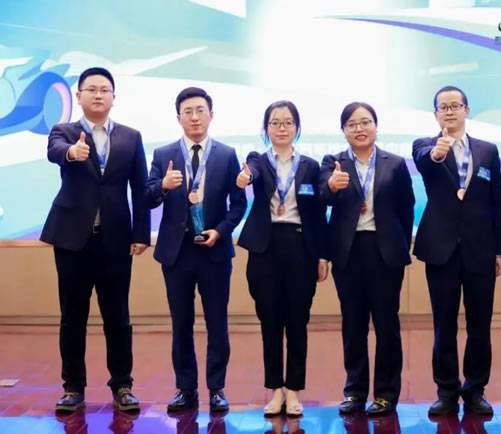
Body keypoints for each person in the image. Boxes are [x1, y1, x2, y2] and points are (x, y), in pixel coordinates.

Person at [41, 67, 150, 412]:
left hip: (115, 241)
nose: (99, 94)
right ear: (79, 96)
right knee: (72, 316)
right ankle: (73, 388)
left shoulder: (131, 137)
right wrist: (71, 153)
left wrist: (141, 234)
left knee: (118, 316)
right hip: (72, 240)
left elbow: (140, 189)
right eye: (92, 89)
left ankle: (123, 385)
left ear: (114, 97)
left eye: (105, 89)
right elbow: (54, 150)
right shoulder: (64, 131)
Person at [145, 87, 246, 413]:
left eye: (200, 110)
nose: (194, 117)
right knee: (181, 323)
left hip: (214, 251)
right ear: (178, 118)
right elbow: (147, 197)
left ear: (211, 115)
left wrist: (221, 231)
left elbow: (238, 204)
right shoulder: (163, 154)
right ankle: (185, 389)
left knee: (217, 322)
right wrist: (163, 186)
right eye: (188, 111)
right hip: (177, 252)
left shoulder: (226, 155)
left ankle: (217, 388)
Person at [412, 86, 501, 416]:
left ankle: (476, 389)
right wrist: (438, 153)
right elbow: (425, 163)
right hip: (441, 249)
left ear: (467, 109)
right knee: (444, 324)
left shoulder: (488, 150)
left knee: (480, 323)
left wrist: (499, 249)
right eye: (443, 107)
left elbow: (496, 200)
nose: (449, 111)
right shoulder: (424, 145)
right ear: (435, 114)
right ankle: (447, 391)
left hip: (480, 249)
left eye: (455, 105)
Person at [320, 102, 415, 416]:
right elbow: (321, 196)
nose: (359, 129)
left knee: (387, 324)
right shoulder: (333, 162)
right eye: (352, 124)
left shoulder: (395, 163)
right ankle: (355, 392)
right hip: (348, 252)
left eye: (365, 122)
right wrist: (331, 186)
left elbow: (406, 208)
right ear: (343, 130)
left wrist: (398, 244)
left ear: (376, 125)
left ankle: (386, 393)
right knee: (353, 324)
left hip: (384, 251)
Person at [236, 101, 328, 416]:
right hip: (265, 248)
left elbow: (317, 213)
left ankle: (295, 391)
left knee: (298, 322)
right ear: (266, 129)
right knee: (270, 322)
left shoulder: (311, 166)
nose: (282, 128)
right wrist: (246, 177)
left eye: (288, 122)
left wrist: (322, 254)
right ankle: (275, 390)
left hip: (301, 246)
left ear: (297, 128)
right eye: (275, 122)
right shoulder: (258, 160)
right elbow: (252, 171)